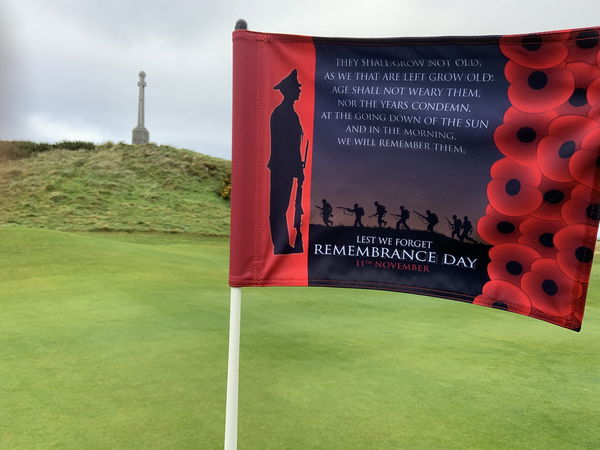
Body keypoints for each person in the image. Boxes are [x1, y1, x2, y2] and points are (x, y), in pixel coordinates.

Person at [268, 69, 305, 254]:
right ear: (289, 91)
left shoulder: (291, 114)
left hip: (287, 167)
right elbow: (285, 147)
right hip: (282, 167)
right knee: (279, 206)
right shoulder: (283, 114)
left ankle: (283, 245)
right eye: (296, 88)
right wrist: (296, 167)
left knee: (283, 205)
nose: (299, 91)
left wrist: (298, 167)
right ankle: (280, 246)